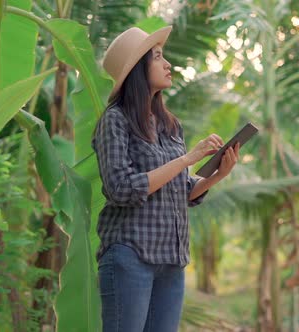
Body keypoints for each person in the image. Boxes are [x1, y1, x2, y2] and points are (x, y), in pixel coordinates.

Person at [92, 26, 240, 332]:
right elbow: (121, 188)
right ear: (136, 70)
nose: (168, 64)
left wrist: (217, 175)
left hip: (171, 262)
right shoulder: (115, 120)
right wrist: (187, 159)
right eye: (158, 57)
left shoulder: (170, 126)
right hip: (130, 256)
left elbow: (180, 189)